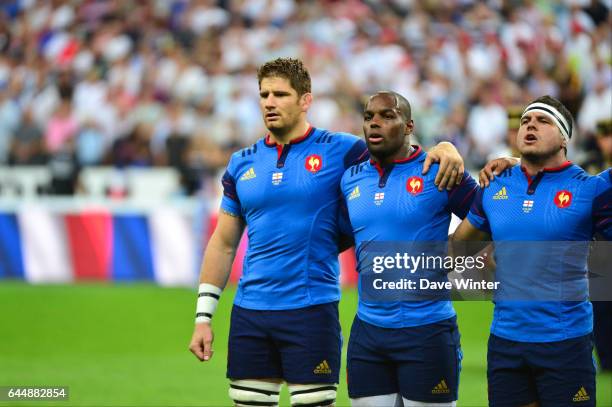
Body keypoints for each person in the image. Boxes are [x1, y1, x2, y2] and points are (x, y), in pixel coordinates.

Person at [187, 58, 465, 407]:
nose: (270, 102)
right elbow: (224, 244)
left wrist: (444, 147)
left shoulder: (344, 150)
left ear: (306, 100)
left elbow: (398, 149)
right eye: (264, 95)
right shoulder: (242, 162)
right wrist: (203, 316)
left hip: (312, 308)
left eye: (280, 94)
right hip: (250, 312)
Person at [452, 95, 611, 407]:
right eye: (526, 120)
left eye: (543, 121)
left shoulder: (591, 189)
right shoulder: (495, 185)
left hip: (565, 342)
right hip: (505, 342)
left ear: (565, 136)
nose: (530, 126)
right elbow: (458, 247)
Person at [340, 91, 478, 407]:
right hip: (368, 332)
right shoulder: (350, 178)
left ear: (408, 126)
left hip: (427, 331)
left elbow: (491, 218)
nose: (375, 123)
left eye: (388, 116)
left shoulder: (439, 170)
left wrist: (456, 255)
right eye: (369, 116)